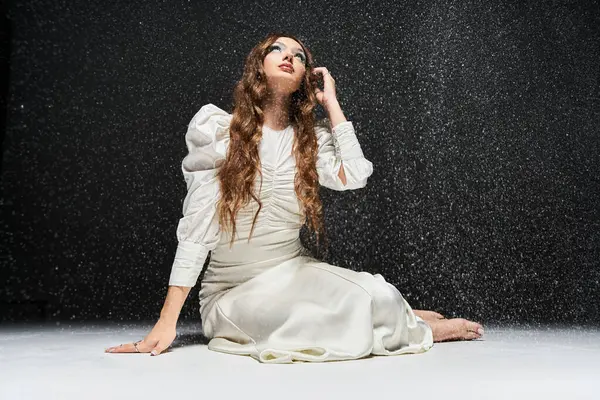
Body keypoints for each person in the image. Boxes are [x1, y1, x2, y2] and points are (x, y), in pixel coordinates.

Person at [105, 32, 484, 363]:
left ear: (305, 77)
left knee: (379, 292)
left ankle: (395, 315)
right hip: (233, 292)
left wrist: (332, 104)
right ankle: (415, 326)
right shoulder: (220, 131)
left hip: (292, 270)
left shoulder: (309, 141)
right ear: (258, 66)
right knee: (336, 314)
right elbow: (196, 230)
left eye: (299, 56)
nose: (289, 56)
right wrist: (167, 321)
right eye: (278, 49)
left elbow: (354, 175)